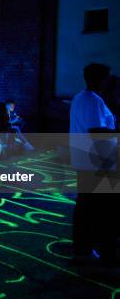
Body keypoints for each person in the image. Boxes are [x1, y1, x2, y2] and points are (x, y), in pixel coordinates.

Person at [70, 63, 118, 267]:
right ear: (101, 79)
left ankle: (83, 249)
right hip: (97, 162)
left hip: (85, 160)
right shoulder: (93, 100)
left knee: (86, 206)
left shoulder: (79, 97)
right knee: (99, 209)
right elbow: (97, 131)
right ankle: (95, 251)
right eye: (107, 77)